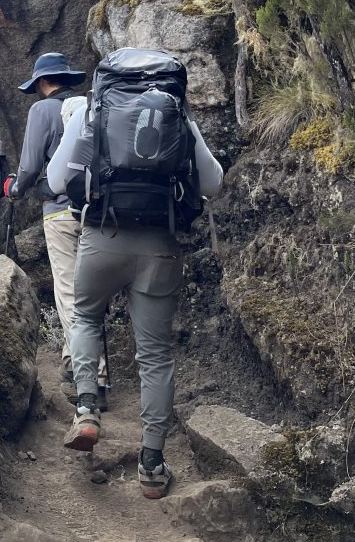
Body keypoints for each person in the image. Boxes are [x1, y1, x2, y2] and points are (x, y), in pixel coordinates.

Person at [46, 48, 223, 500]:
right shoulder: (176, 114)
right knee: (156, 356)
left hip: (101, 236)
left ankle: (87, 409)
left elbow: (54, 180)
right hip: (159, 245)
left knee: (85, 317)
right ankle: (152, 464)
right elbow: (213, 183)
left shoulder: (94, 109)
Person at [2, 52, 105, 390]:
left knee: (69, 293)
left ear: (43, 82)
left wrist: (15, 188)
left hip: (59, 212)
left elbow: (31, 166)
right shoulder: (91, 105)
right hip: (96, 211)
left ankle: (93, 376)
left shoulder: (42, 110)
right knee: (91, 291)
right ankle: (72, 359)